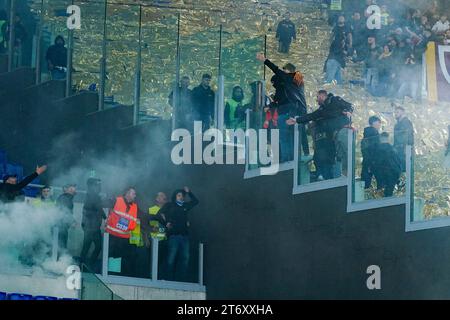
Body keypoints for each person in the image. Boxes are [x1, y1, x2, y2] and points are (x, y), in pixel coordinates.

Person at [287, 90, 353, 178]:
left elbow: (350, 106)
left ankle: (346, 175)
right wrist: (297, 120)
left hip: (342, 131)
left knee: (344, 154)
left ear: (322, 96)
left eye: (317, 97)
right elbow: (311, 116)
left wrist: (348, 111)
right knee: (335, 156)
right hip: (333, 136)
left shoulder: (335, 100)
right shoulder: (322, 109)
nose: (316, 100)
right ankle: (336, 176)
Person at [256, 53, 309, 162]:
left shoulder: (297, 77)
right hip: (287, 112)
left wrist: (265, 60)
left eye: (285, 71)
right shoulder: (286, 85)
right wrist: (270, 106)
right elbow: (278, 99)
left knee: (293, 136)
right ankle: (287, 159)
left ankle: (294, 159)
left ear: (289, 71)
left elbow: (278, 72)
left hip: (295, 111)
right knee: (285, 137)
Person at [159, 187, 199, 282]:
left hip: (184, 236)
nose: (181, 197)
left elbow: (196, 201)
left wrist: (189, 192)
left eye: (182, 196)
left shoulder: (184, 206)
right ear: (175, 196)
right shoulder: (170, 205)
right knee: (171, 258)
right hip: (174, 235)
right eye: (179, 195)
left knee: (185, 258)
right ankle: (167, 279)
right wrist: (166, 223)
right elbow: (160, 213)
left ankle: (180, 280)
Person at [105, 187, 139, 276]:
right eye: (133, 193)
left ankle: (118, 276)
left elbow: (136, 220)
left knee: (122, 258)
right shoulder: (117, 200)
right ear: (127, 193)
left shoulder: (135, 206)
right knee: (111, 256)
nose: (135, 196)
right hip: (112, 235)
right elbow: (105, 203)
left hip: (124, 237)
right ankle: (110, 275)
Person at [80, 178, 108, 270]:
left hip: (91, 226)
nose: (100, 186)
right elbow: (98, 207)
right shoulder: (93, 195)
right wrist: (105, 217)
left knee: (87, 246)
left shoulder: (91, 195)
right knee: (97, 246)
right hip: (92, 226)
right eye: (98, 184)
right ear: (93, 185)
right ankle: (87, 265)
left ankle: (83, 264)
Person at [372, 132, 402, 197]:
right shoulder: (393, 149)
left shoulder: (376, 150)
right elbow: (398, 162)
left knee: (380, 191)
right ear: (388, 138)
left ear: (380, 139)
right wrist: (398, 173)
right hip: (391, 173)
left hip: (380, 174)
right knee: (389, 192)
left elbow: (373, 163)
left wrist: (374, 171)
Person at [56, 183, 77, 255]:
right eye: (72, 187)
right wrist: (72, 221)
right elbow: (64, 212)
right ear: (66, 189)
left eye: (74, 187)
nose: (74, 189)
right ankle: (57, 263)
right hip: (60, 227)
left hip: (62, 226)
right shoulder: (65, 198)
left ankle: (58, 262)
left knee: (60, 246)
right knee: (60, 246)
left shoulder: (67, 198)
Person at [361, 116, 381, 189]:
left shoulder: (365, 135)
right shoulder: (375, 134)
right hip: (374, 161)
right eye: (379, 123)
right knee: (381, 182)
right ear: (374, 123)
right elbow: (377, 148)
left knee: (365, 183)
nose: (379, 125)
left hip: (367, 161)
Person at [393, 106, 414, 172]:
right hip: (399, 149)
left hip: (403, 150)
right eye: (395, 112)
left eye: (397, 112)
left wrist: (407, 148)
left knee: (403, 168)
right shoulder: (398, 124)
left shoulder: (406, 122)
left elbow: (409, 136)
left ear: (403, 112)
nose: (395, 114)